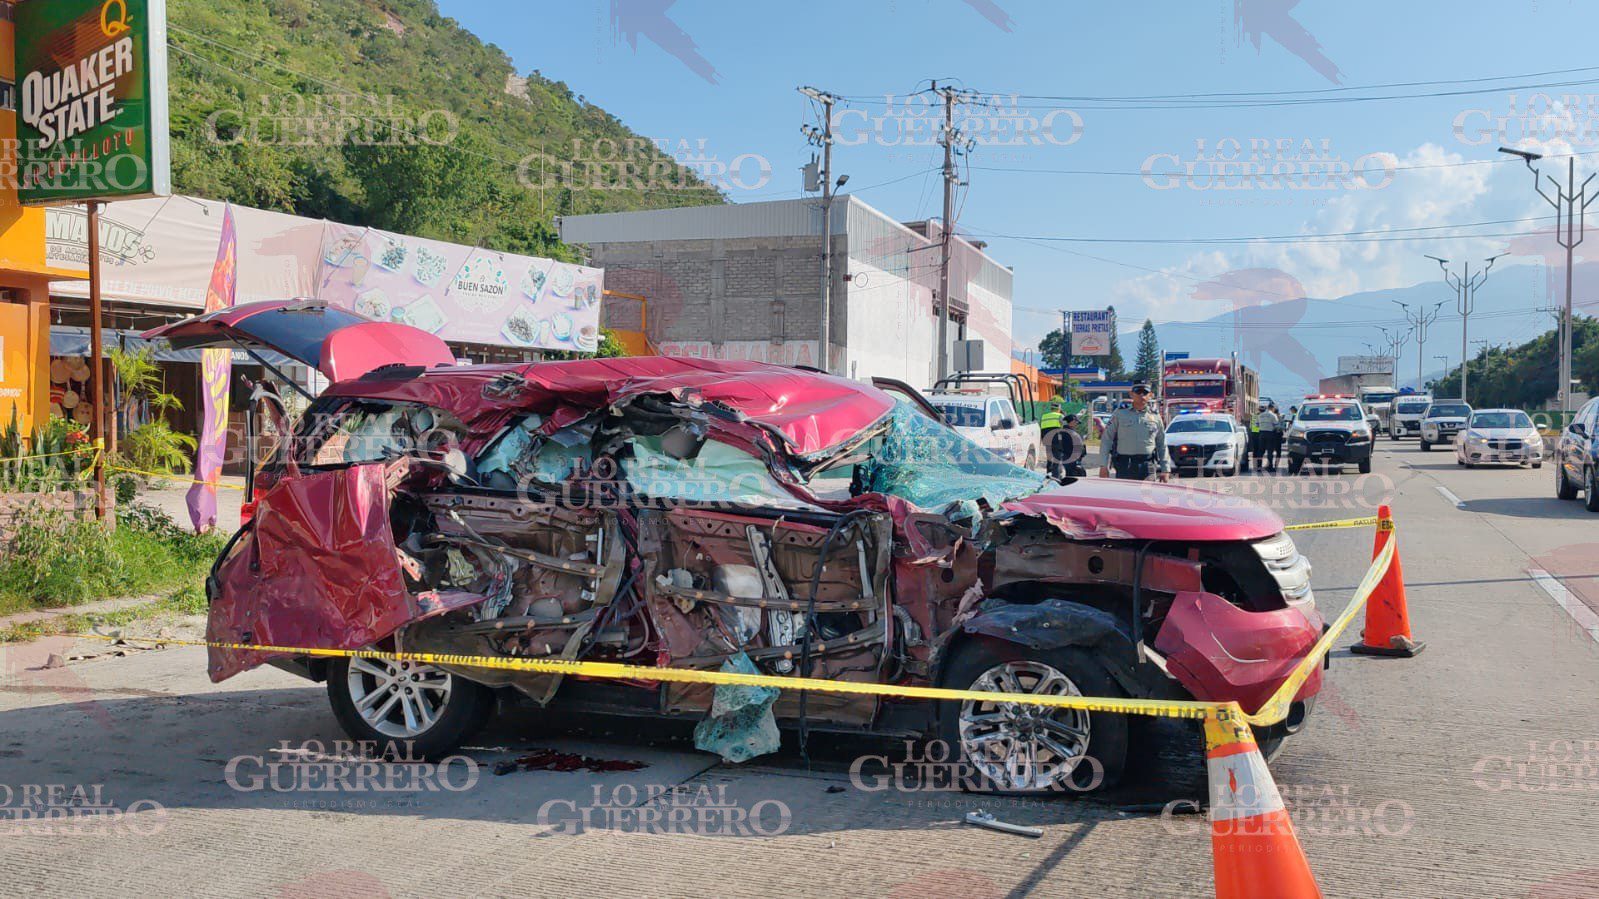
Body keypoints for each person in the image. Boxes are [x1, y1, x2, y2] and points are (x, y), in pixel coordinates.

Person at [1097, 383, 1171, 482]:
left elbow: (1161, 443)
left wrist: (1165, 469)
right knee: (1126, 491)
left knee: (1146, 491)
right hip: (1125, 464)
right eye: (1138, 392)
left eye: (1145, 393)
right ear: (1131, 394)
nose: (1142, 395)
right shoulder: (1120, 413)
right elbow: (1107, 439)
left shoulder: (1155, 416)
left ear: (1150, 395)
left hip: (1147, 465)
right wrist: (1103, 465)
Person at [1048, 413, 1087, 479]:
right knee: (1073, 478)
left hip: (1061, 459)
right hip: (1072, 460)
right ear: (1072, 422)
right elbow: (1080, 449)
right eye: (1076, 422)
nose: (1077, 425)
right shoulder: (1073, 434)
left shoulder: (1059, 432)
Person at [1253, 404, 1282, 471]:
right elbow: (1277, 426)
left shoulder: (1260, 415)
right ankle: (1270, 467)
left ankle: (1259, 467)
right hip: (1270, 434)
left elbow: (1256, 425)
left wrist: (1262, 426)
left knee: (1260, 451)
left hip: (1261, 434)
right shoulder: (1273, 415)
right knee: (1270, 451)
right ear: (1272, 408)